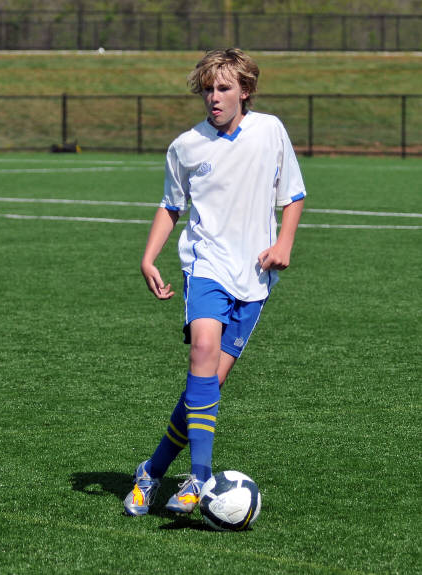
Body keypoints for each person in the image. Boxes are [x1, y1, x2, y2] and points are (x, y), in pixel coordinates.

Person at [124, 48, 306, 516]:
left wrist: (284, 243)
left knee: (205, 387)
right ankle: (200, 478)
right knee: (202, 350)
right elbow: (171, 206)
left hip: (256, 275)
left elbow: (293, 196)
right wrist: (148, 257)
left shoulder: (270, 131)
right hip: (205, 264)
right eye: (207, 89)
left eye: (224, 87)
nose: (214, 97)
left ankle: (151, 471)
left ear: (245, 90)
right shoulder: (186, 146)